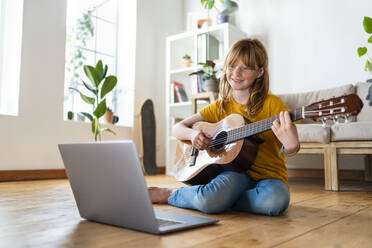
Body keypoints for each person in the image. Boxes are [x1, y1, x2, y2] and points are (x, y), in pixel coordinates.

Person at [149, 38, 300, 216]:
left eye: (245, 68)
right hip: (235, 174)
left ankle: (219, 199)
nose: (236, 73)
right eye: (232, 66)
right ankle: (171, 194)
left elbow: (291, 147)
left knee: (274, 202)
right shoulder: (221, 106)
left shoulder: (273, 105)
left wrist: (292, 146)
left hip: (270, 178)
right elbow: (178, 128)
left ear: (259, 72)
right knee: (210, 199)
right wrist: (192, 135)